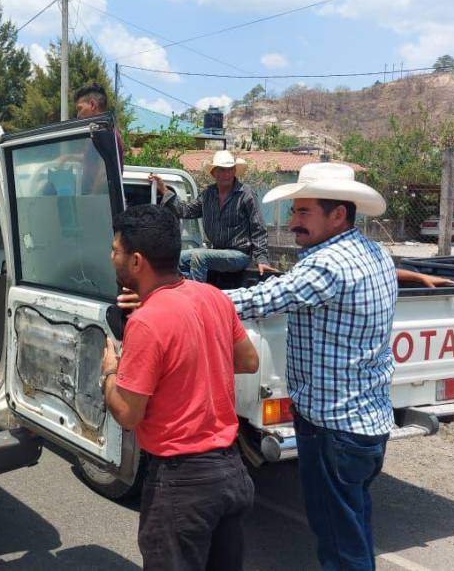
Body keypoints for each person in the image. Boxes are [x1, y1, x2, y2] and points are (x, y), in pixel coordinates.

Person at [225, 162, 397, 570]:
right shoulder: (374, 252)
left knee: (339, 545)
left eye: (304, 212)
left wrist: (181, 296)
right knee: (353, 526)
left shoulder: (326, 265)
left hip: (332, 428)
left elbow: (259, 300)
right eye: (293, 211)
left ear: (338, 214)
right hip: (368, 423)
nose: (292, 221)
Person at [100, 204, 259, 571]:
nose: (111, 257)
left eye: (115, 250)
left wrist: (110, 371)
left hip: (182, 483)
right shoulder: (213, 297)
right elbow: (248, 361)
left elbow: (127, 413)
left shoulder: (146, 321)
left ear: (137, 261)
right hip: (230, 474)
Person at [153, 150, 278, 281]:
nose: (227, 174)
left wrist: (261, 258)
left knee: (199, 257)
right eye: (222, 170)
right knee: (176, 259)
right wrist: (164, 190)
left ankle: (196, 298)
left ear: (235, 171)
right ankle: (185, 289)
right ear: (214, 173)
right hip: (216, 251)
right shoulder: (208, 195)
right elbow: (186, 210)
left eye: (230, 170)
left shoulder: (246, 194)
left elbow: (258, 227)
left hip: (240, 254)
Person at [75, 83, 124, 195]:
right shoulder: (96, 133)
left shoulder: (106, 134)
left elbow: (104, 174)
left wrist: (92, 199)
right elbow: (91, 158)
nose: (78, 115)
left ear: (92, 104)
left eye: (80, 109)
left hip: (101, 204)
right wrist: (67, 158)